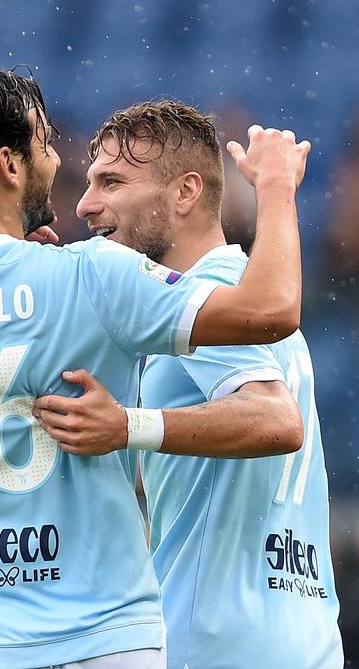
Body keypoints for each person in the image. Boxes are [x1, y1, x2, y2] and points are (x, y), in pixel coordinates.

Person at [0, 67, 309, 668]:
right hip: (101, 636)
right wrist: (275, 190)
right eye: (44, 143)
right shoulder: (92, 274)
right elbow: (271, 310)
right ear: (9, 165)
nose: (55, 160)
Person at [33, 100, 343, 668]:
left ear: (184, 194)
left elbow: (275, 421)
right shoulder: (236, 304)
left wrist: (128, 425)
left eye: (112, 181)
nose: (84, 203)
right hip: (302, 638)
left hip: (216, 642)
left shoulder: (212, 287)